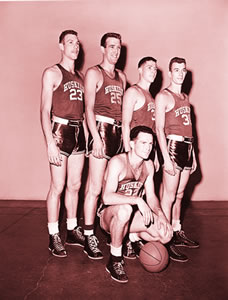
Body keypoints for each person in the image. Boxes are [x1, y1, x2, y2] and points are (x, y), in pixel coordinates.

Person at [98, 126, 173, 283]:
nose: (148, 148)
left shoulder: (149, 165)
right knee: (124, 210)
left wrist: (161, 216)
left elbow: (152, 197)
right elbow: (106, 197)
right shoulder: (117, 162)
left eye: (151, 144)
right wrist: (137, 200)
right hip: (109, 215)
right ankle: (115, 259)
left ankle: (133, 236)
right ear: (132, 144)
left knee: (166, 234)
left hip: (132, 216)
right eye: (143, 143)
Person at [40, 30, 87, 257]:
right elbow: (43, 110)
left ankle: (70, 228)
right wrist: (50, 142)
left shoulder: (80, 77)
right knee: (57, 186)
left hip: (79, 132)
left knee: (75, 185)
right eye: (70, 42)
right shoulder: (52, 72)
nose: (75, 46)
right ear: (61, 46)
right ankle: (53, 234)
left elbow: (85, 113)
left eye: (77, 43)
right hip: (60, 131)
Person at [83, 32, 127, 259]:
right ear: (102, 49)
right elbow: (88, 108)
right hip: (100, 129)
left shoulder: (121, 76)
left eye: (118, 47)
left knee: (114, 187)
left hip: (118, 133)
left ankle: (113, 231)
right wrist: (96, 138)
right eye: (111, 47)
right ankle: (89, 234)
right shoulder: (93, 73)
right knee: (94, 187)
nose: (115, 51)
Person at [155, 57, 199, 263]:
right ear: (170, 73)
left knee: (180, 195)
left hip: (187, 147)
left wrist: (194, 156)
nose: (180, 73)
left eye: (183, 70)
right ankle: (165, 238)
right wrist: (165, 156)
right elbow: (159, 129)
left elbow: (190, 128)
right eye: (176, 70)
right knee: (169, 195)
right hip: (172, 147)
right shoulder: (164, 96)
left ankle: (176, 229)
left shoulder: (185, 97)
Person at [122, 56, 159, 258]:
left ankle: (134, 237)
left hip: (147, 152)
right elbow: (125, 123)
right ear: (139, 69)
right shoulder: (133, 92)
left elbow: (152, 130)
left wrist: (155, 156)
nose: (153, 71)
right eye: (149, 67)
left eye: (155, 68)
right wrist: (129, 154)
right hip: (133, 152)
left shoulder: (151, 97)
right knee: (128, 193)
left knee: (144, 193)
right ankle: (122, 237)